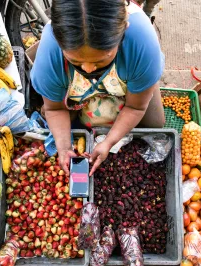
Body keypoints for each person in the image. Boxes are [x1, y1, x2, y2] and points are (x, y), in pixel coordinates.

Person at [31, 0, 165, 176]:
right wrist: (64, 148)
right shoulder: (50, 50)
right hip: (77, 94)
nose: (87, 69)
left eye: (101, 60)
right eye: (76, 61)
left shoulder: (141, 41)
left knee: (155, 123)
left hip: (126, 86)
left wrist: (108, 142)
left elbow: (135, 107)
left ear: (124, 30)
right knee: (55, 119)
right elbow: (54, 109)